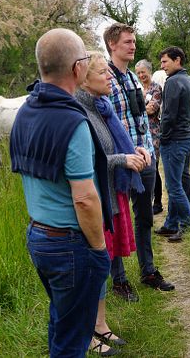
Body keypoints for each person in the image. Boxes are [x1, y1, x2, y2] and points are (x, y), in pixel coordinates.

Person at [10, 28, 112, 357]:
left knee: (61, 320)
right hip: (71, 244)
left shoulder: (26, 111)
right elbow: (84, 198)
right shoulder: (72, 122)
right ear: (76, 68)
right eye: (85, 59)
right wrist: (98, 248)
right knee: (72, 341)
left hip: (38, 236)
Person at [76, 51, 150, 356]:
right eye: (103, 73)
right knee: (92, 267)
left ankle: (100, 324)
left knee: (103, 262)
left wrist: (133, 150)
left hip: (110, 194)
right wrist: (123, 159)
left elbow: (110, 144)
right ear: (85, 79)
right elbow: (86, 161)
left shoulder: (102, 106)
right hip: (95, 198)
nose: (110, 78)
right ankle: (86, 333)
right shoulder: (80, 111)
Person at [103, 23, 175, 300]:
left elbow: (142, 119)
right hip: (121, 161)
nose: (133, 46)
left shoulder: (133, 77)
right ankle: (119, 279)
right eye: (127, 42)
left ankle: (148, 270)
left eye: (133, 41)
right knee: (116, 219)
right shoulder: (103, 77)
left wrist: (148, 150)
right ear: (112, 44)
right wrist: (126, 154)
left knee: (144, 218)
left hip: (144, 158)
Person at [154, 46, 190, 243]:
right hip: (187, 137)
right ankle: (171, 224)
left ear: (177, 60)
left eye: (165, 61)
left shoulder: (172, 82)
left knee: (173, 187)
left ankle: (187, 224)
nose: (162, 66)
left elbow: (168, 115)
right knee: (178, 182)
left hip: (175, 140)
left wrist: (162, 138)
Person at [134, 59, 164, 215]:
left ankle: (157, 202)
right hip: (140, 132)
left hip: (153, 132)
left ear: (149, 72)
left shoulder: (156, 88)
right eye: (138, 73)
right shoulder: (137, 88)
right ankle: (146, 198)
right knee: (143, 165)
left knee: (154, 166)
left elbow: (152, 109)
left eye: (143, 72)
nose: (140, 75)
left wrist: (137, 110)